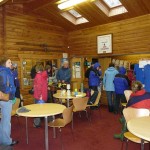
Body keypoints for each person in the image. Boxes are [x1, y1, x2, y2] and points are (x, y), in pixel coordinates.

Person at [0, 57, 18, 146]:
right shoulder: (3, 72)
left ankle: (2, 139)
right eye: (9, 62)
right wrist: (11, 94)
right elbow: (3, 87)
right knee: (6, 121)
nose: (11, 64)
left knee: (4, 120)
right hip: (6, 99)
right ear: (4, 64)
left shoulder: (7, 71)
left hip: (6, 99)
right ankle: (6, 141)